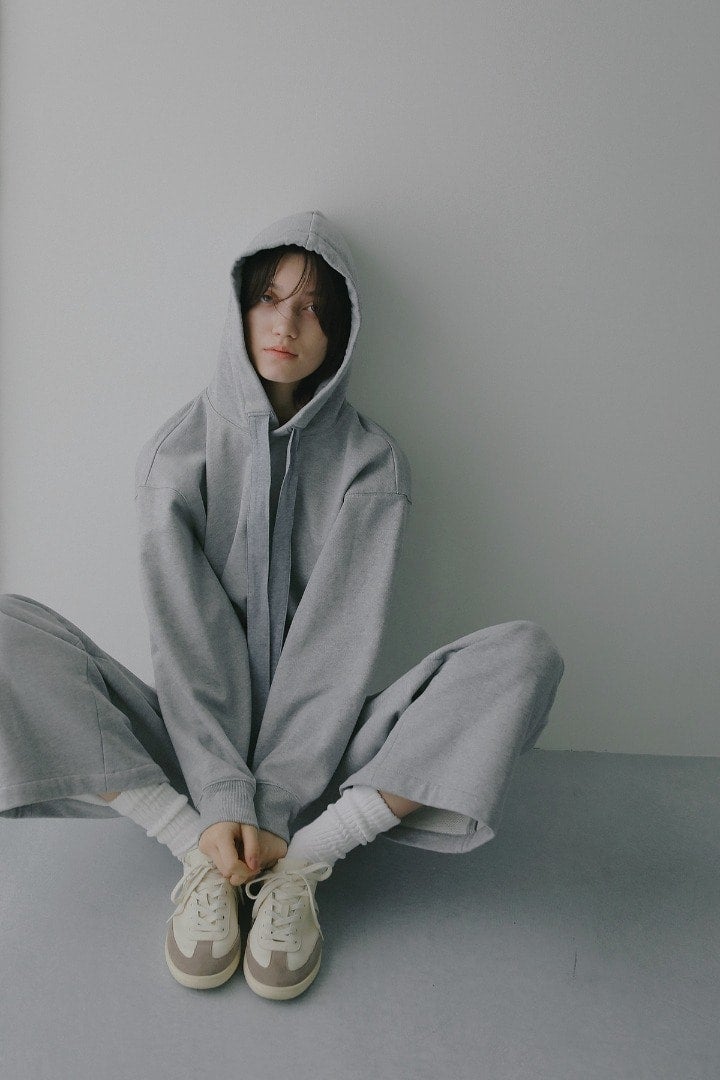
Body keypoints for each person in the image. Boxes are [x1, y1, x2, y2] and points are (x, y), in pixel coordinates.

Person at [0, 210, 565, 1001]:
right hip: (191, 748)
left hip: (330, 757)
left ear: (341, 331)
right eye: (268, 298)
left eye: (311, 308)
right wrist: (219, 801)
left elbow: (336, 650)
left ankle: (302, 863)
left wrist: (276, 811)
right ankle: (197, 849)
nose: (285, 324)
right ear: (239, 308)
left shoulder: (371, 465)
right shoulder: (174, 455)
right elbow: (186, 645)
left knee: (524, 656)